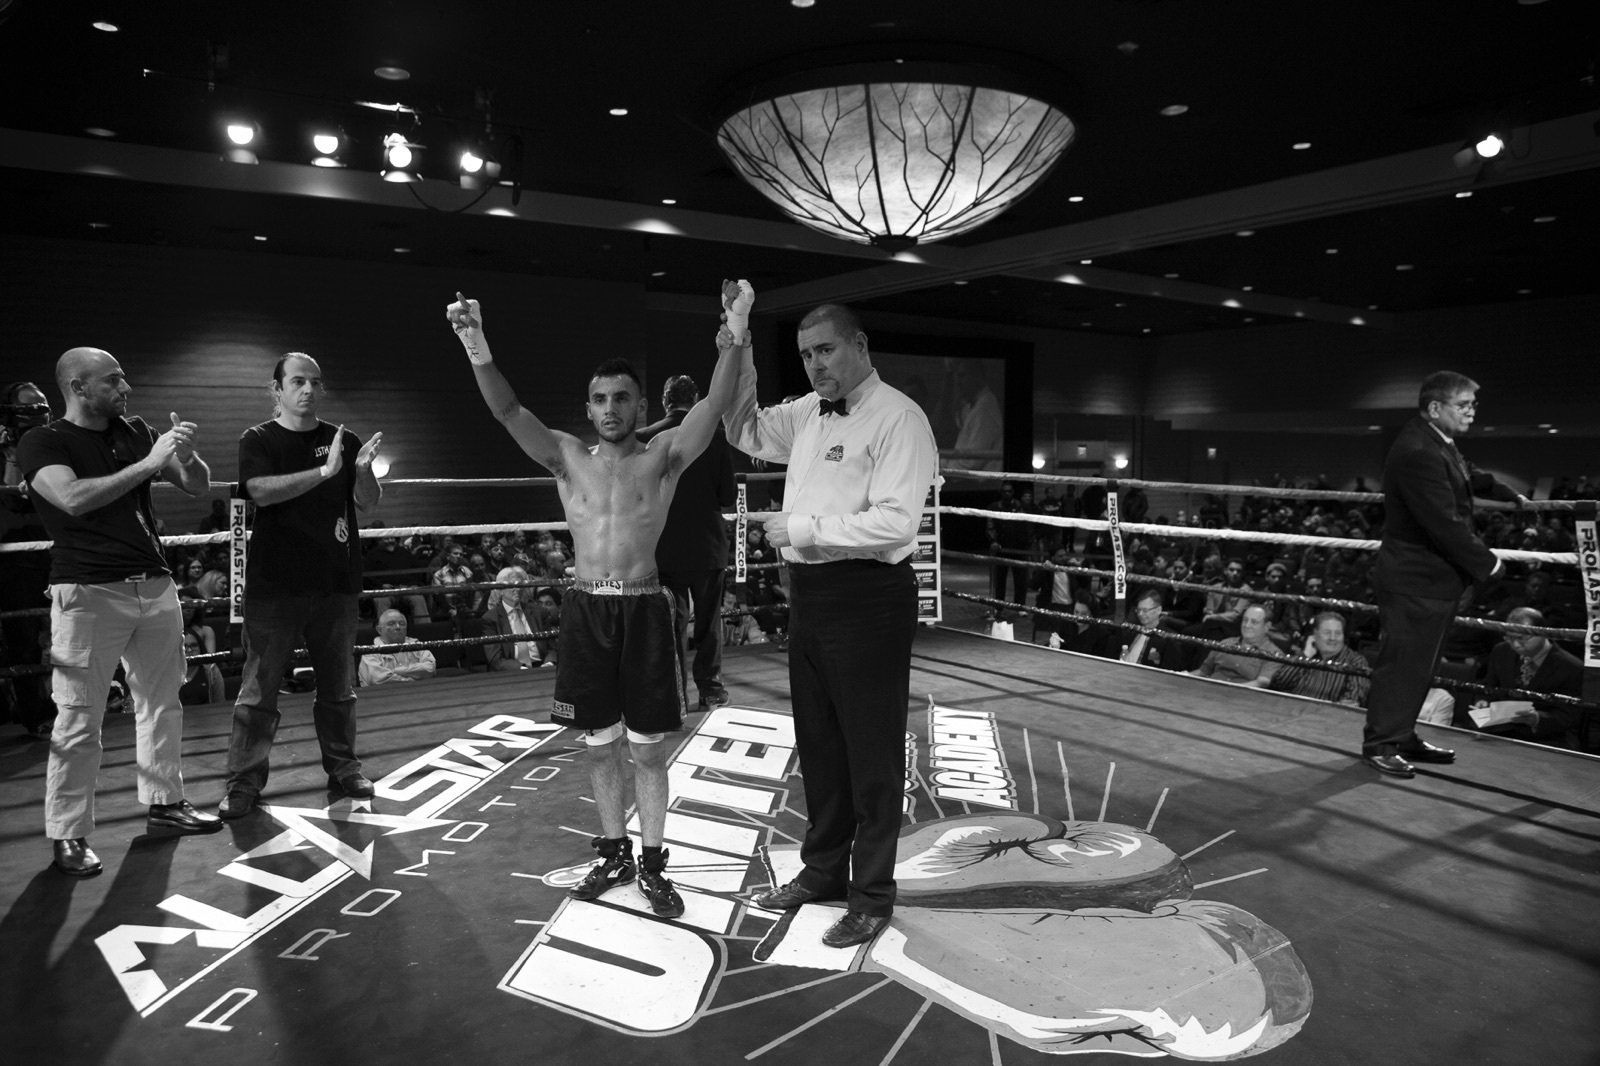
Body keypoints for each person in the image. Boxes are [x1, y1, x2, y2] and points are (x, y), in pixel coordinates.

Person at [448, 281, 741, 919]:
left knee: (647, 747)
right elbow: (506, 411)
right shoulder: (566, 456)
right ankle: (613, 852)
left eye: (622, 398)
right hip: (586, 610)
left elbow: (717, 404)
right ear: (589, 407)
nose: (612, 408)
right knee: (598, 742)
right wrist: (475, 342)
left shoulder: (664, 458)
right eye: (601, 399)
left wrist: (737, 328)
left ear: (640, 405)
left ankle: (655, 863)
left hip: (643, 608)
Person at [723, 301, 938, 950]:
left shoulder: (899, 418)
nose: (817, 364)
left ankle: (871, 895)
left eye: (827, 350)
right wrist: (740, 342)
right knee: (819, 745)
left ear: (860, 346)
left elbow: (898, 524)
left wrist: (803, 528)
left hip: (870, 595)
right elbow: (742, 426)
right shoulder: (807, 415)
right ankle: (822, 872)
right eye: (807, 353)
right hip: (811, 594)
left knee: (870, 750)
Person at [16, 347, 223, 876]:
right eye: (113, 381)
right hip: (87, 593)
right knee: (79, 719)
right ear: (78, 388)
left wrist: (186, 453)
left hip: (153, 586)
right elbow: (73, 498)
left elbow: (196, 484)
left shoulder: (134, 430)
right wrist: (151, 462)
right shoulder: (44, 441)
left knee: (162, 703)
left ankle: (165, 804)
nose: (125, 387)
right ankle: (68, 833)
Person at [218, 353, 384, 818]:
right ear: (277, 390)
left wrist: (363, 470)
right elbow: (260, 491)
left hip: (335, 582)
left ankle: (344, 766)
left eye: (314, 381)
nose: (307, 389)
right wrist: (323, 473)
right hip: (276, 586)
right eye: (297, 381)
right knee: (259, 690)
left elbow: (366, 505)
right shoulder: (258, 438)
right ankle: (243, 782)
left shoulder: (342, 439)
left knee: (338, 687)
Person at [1363, 371, 1524, 779]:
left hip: (1430, 581)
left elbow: (1464, 471)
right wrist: (1490, 564)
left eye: (1473, 404)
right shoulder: (1419, 450)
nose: (1471, 412)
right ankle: (1381, 743)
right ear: (1436, 408)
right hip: (1415, 580)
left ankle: (1402, 735)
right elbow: (1443, 522)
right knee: (1403, 665)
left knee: (1422, 666)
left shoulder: (1434, 440)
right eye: (1463, 405)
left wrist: (1506, 493)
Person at [638, 373, 737, 710]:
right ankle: (710, 690)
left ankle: (674, 695)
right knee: (708, 623)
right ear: (694, 400)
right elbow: (727, 496)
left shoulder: (645, 438)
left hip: (663, 546)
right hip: (707, 546)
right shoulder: (714, 436)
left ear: (666, 401)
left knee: (671, 625)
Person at [1472, 607, 1584, 746]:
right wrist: (1482, 700)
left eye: (1521, 638)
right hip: (1500, 730)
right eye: (1510, 638)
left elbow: (1571, 716)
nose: (1515, 644)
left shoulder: (1572, 667)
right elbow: (1489, 685)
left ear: (1542, 632)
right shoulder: (1501, 651)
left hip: (1546, 738)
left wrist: (1536, 718)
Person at [1270, 611, 1371, 706]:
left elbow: (1353, 701)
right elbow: (1279, 684)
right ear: (1315, 635)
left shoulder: (1355, 661)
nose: (1333, 638)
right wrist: (1305, 656)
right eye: (1327, 633)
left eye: (1338, 633)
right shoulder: (1305, 655)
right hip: (1290, 712)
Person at [1190, 603, 1284, 688]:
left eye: (1254, 622)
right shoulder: (1225, 643)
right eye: (1245, 620)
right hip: (1207, 691)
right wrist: (1183, 676)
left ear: (1267, 627)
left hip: (1241, 699)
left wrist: (1226, 690)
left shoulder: (1274, 654)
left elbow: (1261, 683)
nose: (1247, 625)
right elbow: (1203, 671)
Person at [358, 609, 437, 686]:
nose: (398, 627)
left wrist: (396, 671)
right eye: (391, 624)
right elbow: (377, 679)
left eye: (402, 623)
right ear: (379, 630)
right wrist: (410, 681)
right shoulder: (370, 653)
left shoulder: (417, 645)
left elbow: (430, 668)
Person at [1118, 587, 1187, 671]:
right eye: (1138, 610)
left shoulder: (1169, 639)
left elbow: (1168, 673)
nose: (1140, 614)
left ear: (1159, 610)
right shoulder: (1131, 630)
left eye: (1145, 610)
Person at [178, 631, 226, 705]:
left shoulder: (211, 670)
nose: (189, 650)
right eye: (185, 646)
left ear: (200, 647)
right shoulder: (168, 671)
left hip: (207, 714)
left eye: (194, 645)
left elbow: (219, 702)